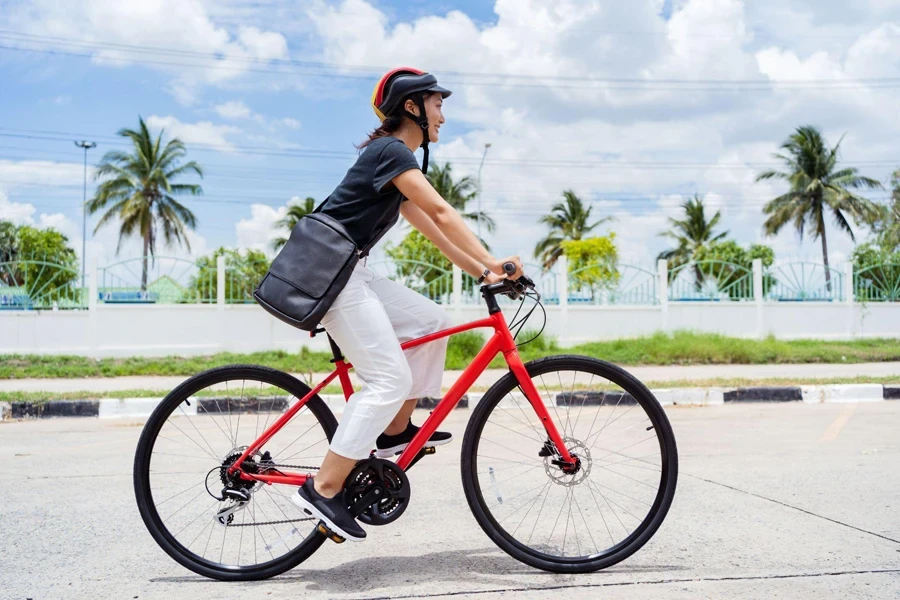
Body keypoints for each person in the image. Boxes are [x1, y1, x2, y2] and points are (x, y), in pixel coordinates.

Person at [291, 67, 524, 542]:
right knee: (389, 378)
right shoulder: (391, 152)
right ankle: (324, 487)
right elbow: (443, 210)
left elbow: (438, 235)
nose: (443, 117)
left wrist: (485, 271)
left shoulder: (393, 166)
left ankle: (395, 431)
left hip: (353, 271)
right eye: (438, 105)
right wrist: (494, 260)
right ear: (413, 107)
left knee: (430, 321)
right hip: (333, 277)